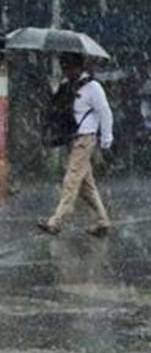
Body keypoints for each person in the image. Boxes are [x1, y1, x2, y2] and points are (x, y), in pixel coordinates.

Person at [37, 53, 115, 237]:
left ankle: (56, 222)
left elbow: (105, 112)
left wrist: (106, 137)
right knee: (87, 186)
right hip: (72, 139)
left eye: (69, 67)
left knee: (71, 180)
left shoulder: (92, 87)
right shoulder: (66, 86)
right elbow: (55, 109)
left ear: (79, 68)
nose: (67, 71)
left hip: (85, 139)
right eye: (64, 68)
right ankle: (103, 221)